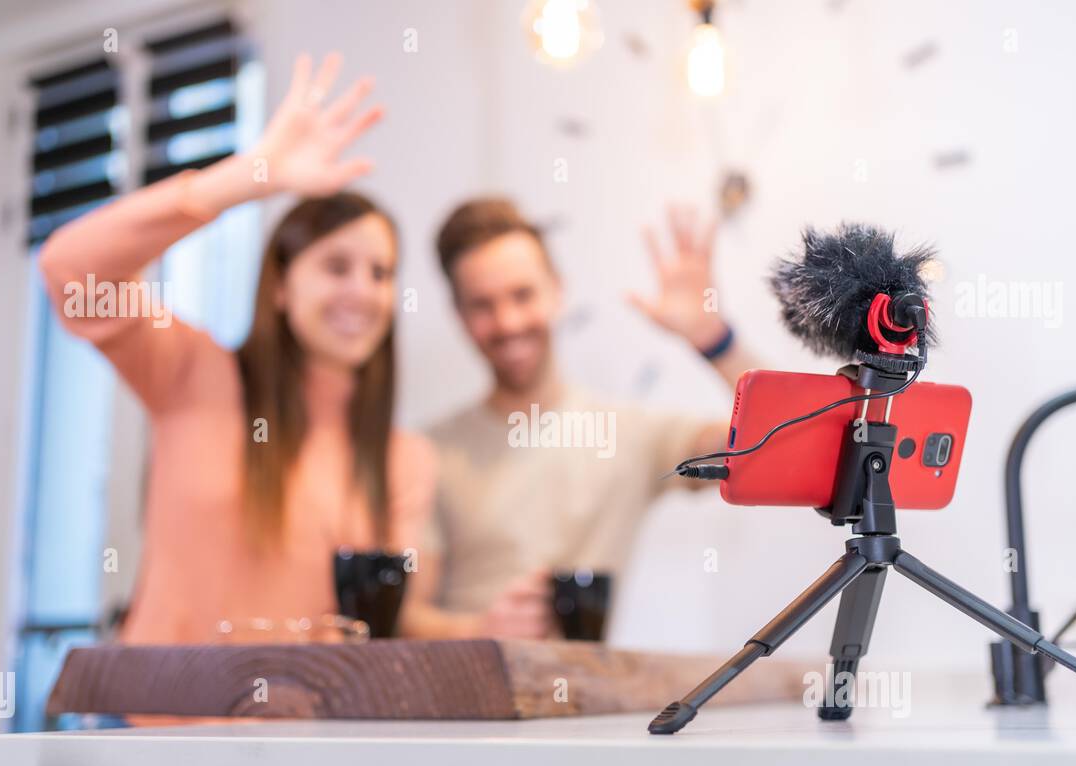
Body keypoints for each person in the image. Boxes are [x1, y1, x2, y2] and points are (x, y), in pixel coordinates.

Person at [37, 53, 435, 646]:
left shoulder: (403, 458)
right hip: (161, 728)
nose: (363, 291)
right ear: (279, 286)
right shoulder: (192, 374)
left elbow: (394, 627)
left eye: (381, 272)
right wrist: (249, 177)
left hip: (305, 736)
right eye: (336, 266)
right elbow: (71, 270)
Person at [402, 198, 763, 640]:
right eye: (482, 305)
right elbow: (403, 618)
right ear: (459, 316)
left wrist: (716, 342)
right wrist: (479, 630)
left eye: (522, 294)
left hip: (587, 704)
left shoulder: (631, 434)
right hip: (461, 698)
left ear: (558, 291)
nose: (508, 321)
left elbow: (771, 445)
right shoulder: (427, 453)